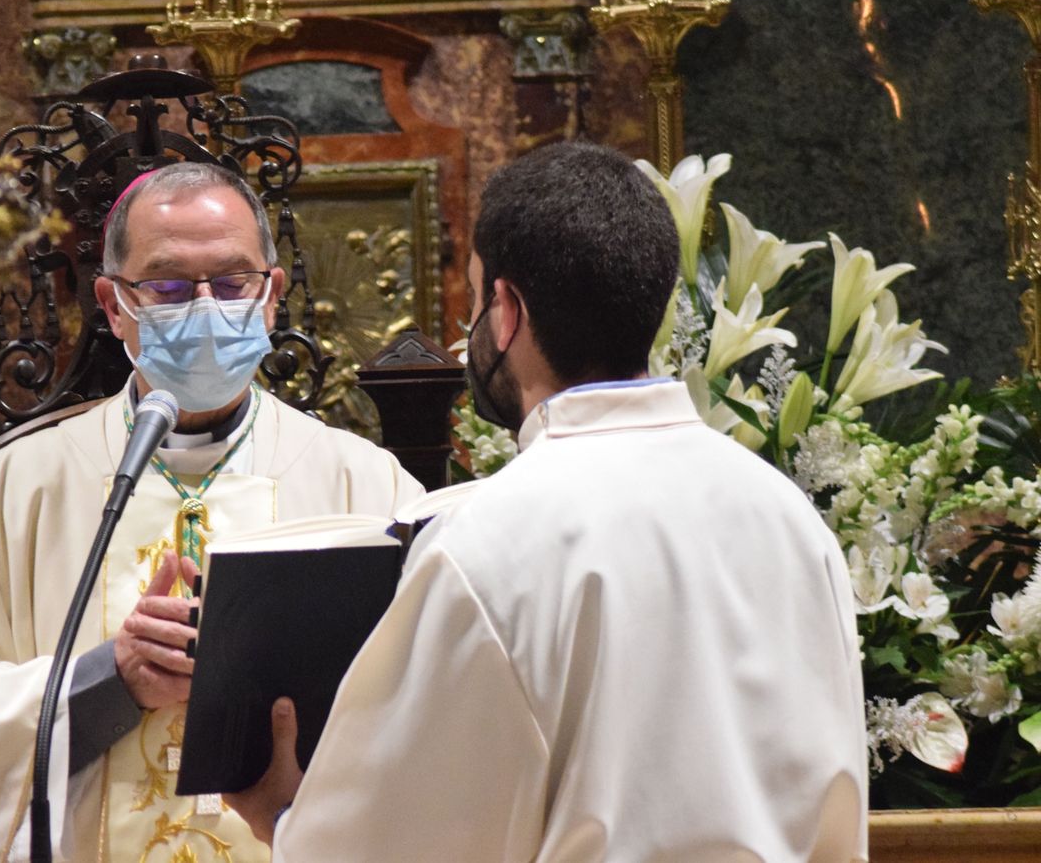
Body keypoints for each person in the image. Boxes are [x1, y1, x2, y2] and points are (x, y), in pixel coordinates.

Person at [225, 140, 869, 862]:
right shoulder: (784, 514)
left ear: (506, 311)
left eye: (474, 298)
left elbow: (407, 840)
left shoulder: (489, 541)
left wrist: (284, 820)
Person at [0, 161, 425, 863]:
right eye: (169, 288)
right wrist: (107, 681)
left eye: (233, 284)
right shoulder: (17, 490)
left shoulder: (367, 485)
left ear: (272, 297)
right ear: (113, 307)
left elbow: (432, 705)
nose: (205, 307)